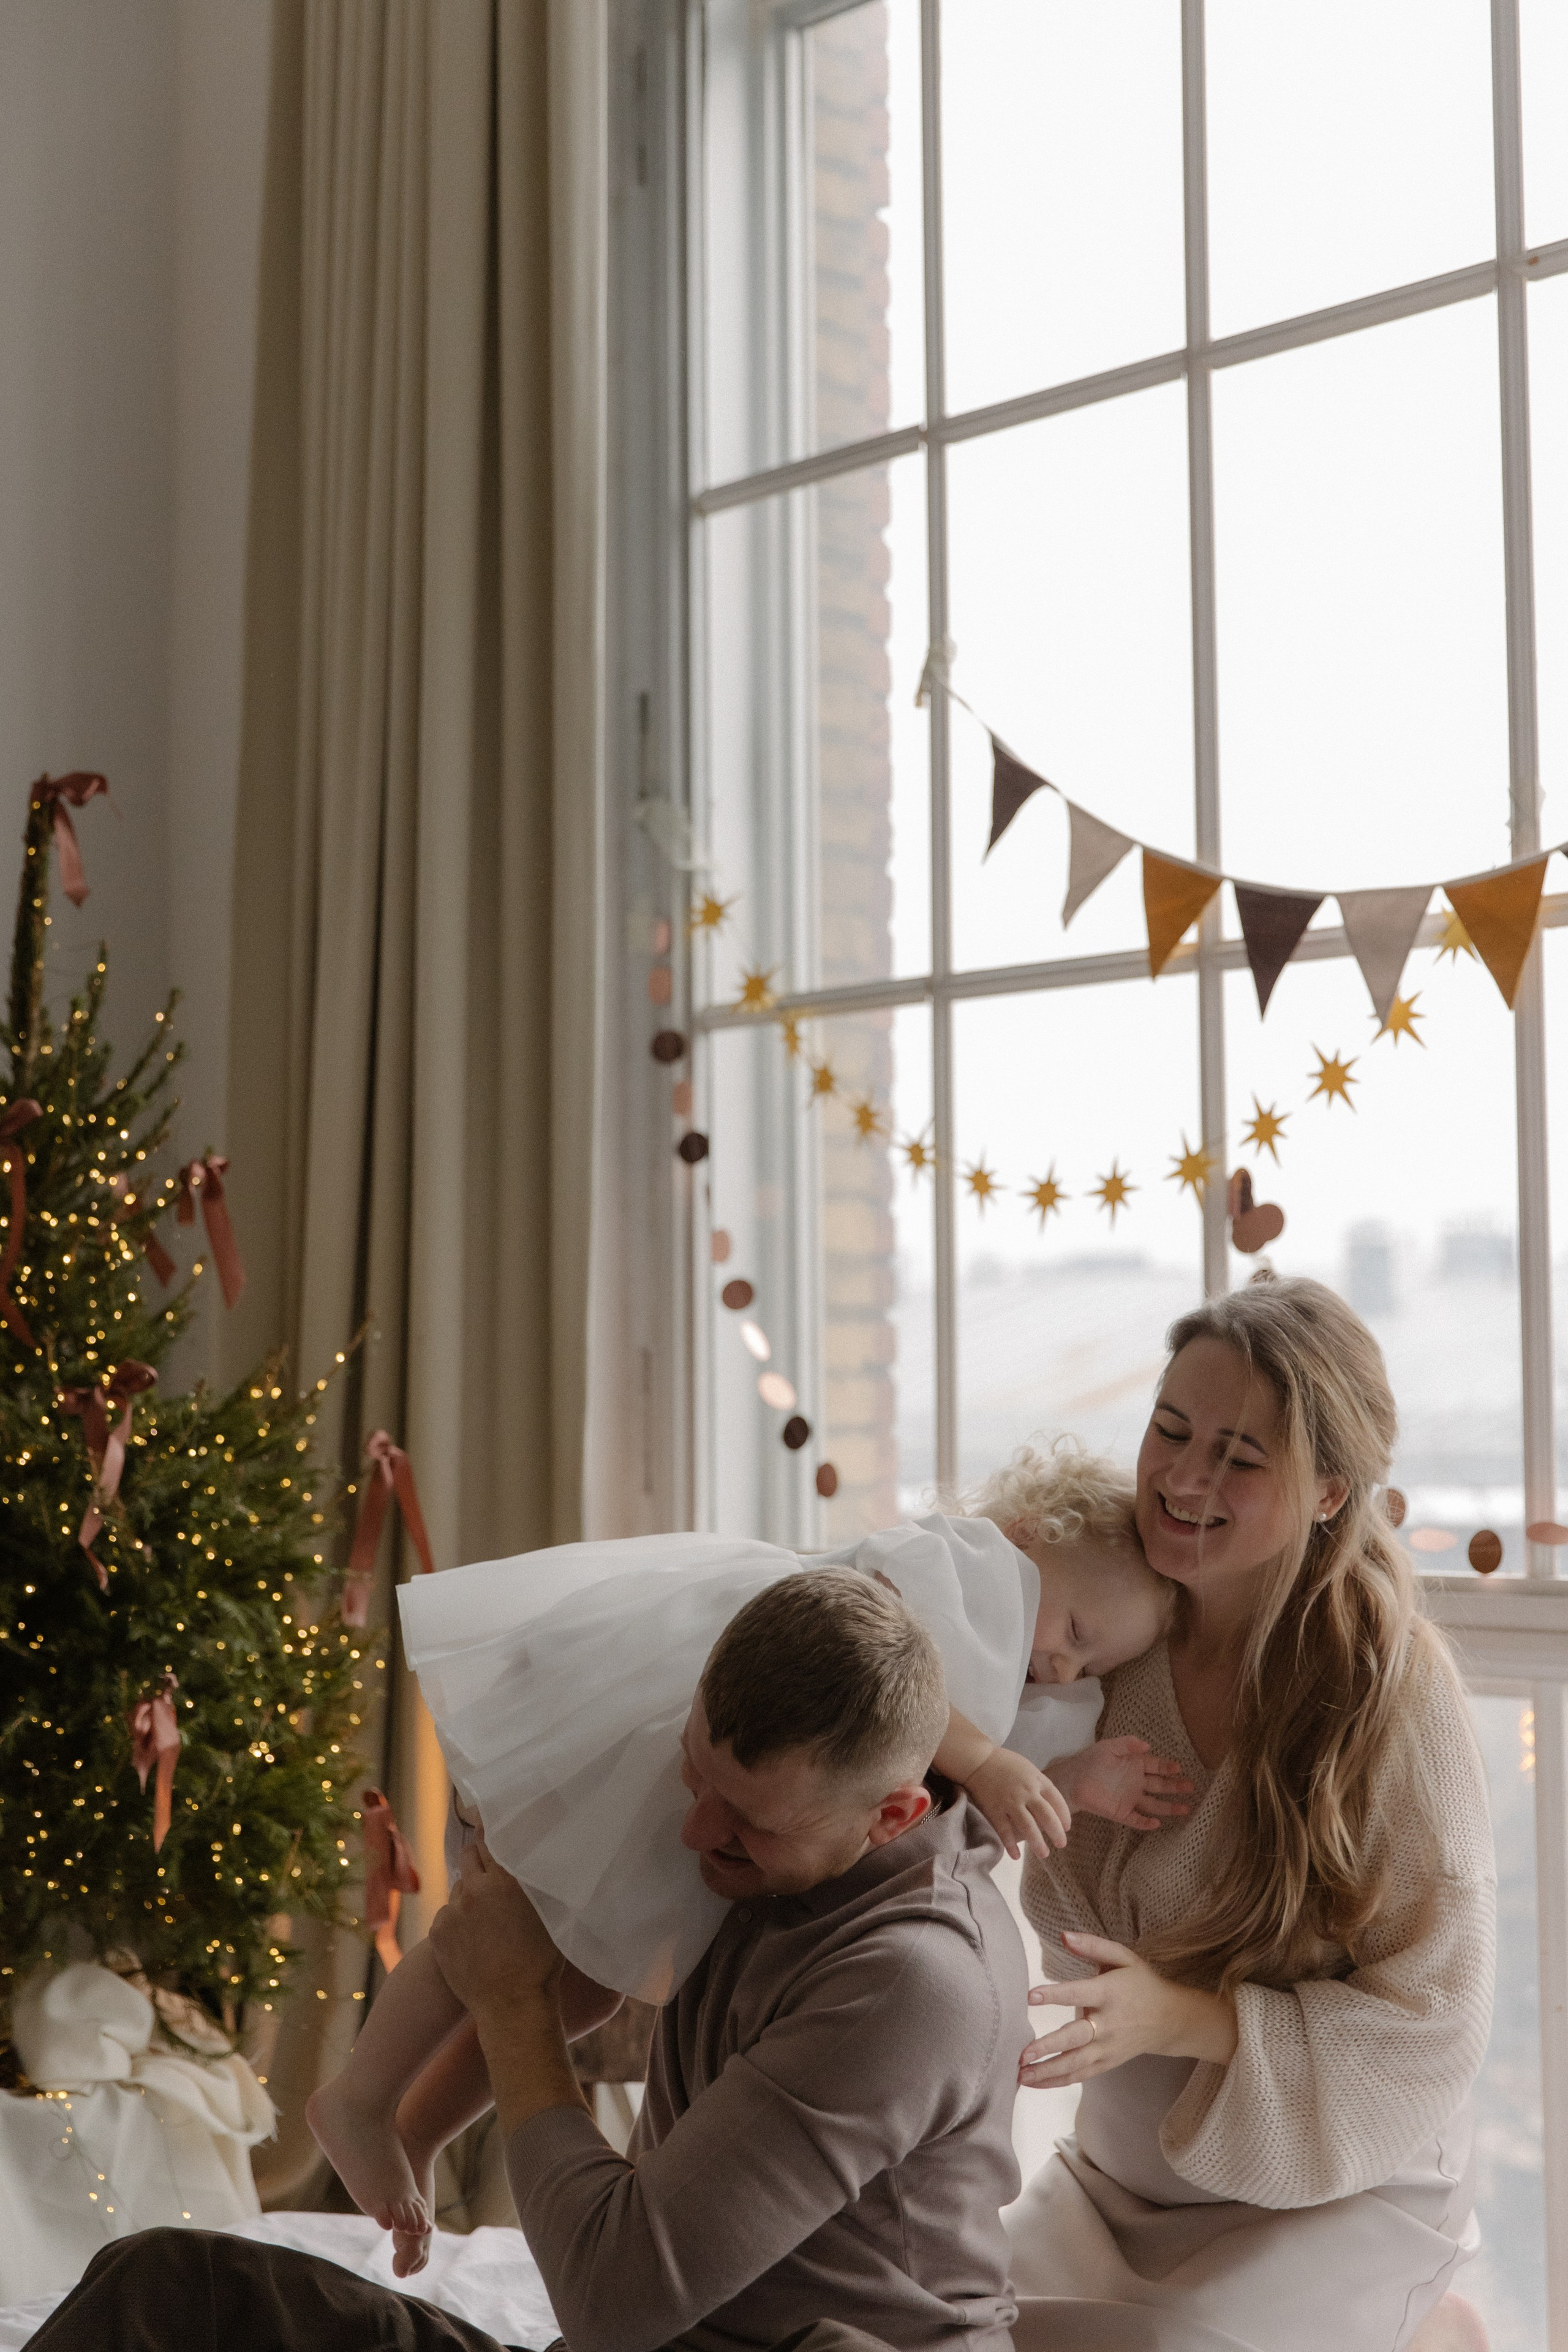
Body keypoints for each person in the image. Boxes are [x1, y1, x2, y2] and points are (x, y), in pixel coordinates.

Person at [31, 1570, 1031, 2352]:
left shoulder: (911, 1981)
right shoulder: (776, 1848)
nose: (696, 1833)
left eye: (749, 1823)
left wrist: (514, 2001)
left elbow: (611, 2300)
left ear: (893, 1815)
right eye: (694, 1777)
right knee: (166, 2289)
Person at [311, 1447, 1189, 2267]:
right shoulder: (969, 1566)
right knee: (508, 1916)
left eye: (1091, 1661)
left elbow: (966, 1805)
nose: (1063, 1662)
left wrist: (1068, 1781)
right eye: (1075, 1626)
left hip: (719, 1808)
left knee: (580, 1990)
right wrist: (992, 1760)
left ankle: (418, 2131)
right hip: (691, 1741)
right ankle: (359, 2094)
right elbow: (880, 1668)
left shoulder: (1028, 1682)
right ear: (1031, 1536)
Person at [1004, 1276, 1496, 2352]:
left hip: (1339, 2186)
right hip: (1123, 2175)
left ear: (1329, 1492)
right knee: (941, 2321)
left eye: (1239, 1457)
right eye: (1171, 1430)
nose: (1184, 1479)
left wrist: (1187, 2016)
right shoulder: (1103, 1633)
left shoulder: (1390, 1694)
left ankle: (1425, 2326)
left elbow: (1438, 2016)